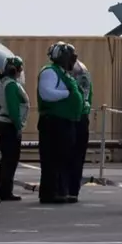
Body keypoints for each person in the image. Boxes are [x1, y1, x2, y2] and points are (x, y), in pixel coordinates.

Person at [35, 42, 85, 204]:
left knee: (63, 158)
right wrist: (68, 94)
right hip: (54, 123)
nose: (73, 61)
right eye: (71, 57)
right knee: (52, 159)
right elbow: (46, 93)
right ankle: (50, 193)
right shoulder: (50, 72)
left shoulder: (63, 73)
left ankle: (61, 190)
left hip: (65, 122)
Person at [0, 56, 27, 202]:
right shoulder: (11, 85)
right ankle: (6, 191)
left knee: (6, 159)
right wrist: (18, 126)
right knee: (10, 160)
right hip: (9, 124)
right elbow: (14, 108)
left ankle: (4, 189)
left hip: (2, 122)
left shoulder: (1, 83)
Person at [68, 59, 94, 201]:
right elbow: (90, 96)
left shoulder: (69, 77)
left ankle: (65, 188)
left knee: (67, 155)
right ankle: (74, 190)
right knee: (79, 157)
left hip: (71, 118)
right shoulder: (85, 73)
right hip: (83, 117)